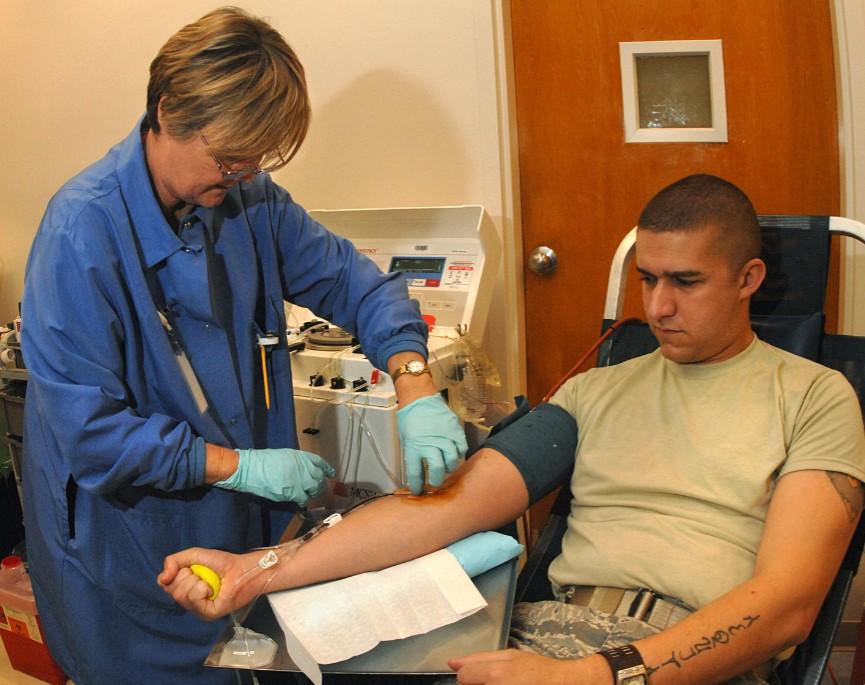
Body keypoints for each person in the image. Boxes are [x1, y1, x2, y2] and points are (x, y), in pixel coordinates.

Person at [161, 174, 865, 685]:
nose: (656, 305)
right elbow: (437, 513)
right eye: (645, 278)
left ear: (747, 278)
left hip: (685, 657)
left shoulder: (814, 395)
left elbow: (783, 608)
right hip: (548, 635)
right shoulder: (597, 391)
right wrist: (256, 569)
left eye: (684, 281)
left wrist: (597, 676)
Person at [20, 7, 466, 684]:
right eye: (229, 157)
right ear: (168, 110)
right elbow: (92, 433)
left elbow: (357, 285)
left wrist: (413, 380)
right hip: (127, 545)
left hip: (235, 532)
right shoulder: (81, 234)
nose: (243, 173)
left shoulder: (247, 198)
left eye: (254, 159)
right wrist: (241, 466)